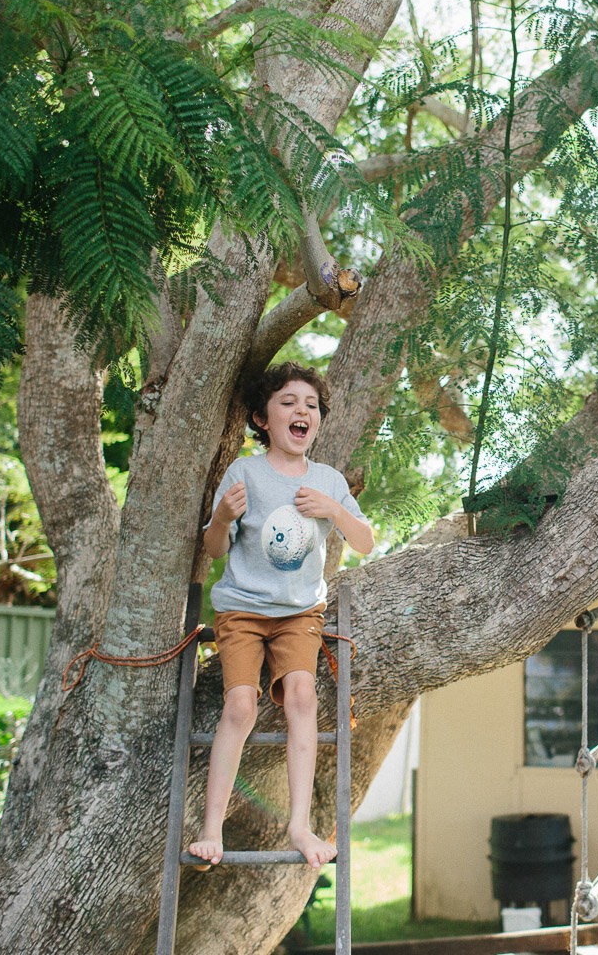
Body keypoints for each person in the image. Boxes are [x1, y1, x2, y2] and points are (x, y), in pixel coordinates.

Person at [187, 362, 375, 867]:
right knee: (241, 707)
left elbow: (364, 541)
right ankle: (212, 829)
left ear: (317, 421)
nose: (302, 411)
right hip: (244, 611)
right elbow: (215, 549)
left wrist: (334, 511)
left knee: (303, 697)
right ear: (262, 419)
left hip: (299, 614)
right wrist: (224, 516)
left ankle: (299, 826)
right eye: (289, 402)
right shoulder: (246, 472)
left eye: (310, 405)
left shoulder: (328, 480)